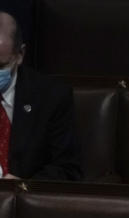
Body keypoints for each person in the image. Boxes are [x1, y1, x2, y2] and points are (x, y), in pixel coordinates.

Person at [0, 10, 81, 180]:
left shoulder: (52, 97)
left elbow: (67, 169)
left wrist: (23, 190)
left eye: (1, 66)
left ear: (20, 55)